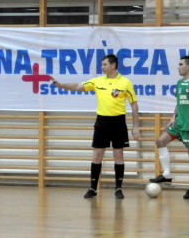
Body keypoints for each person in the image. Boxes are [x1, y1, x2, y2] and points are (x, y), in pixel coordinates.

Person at [50, 54, 140, 199]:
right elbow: (78, 86)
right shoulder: (97, 81)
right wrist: (61, 85)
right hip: (102, 121)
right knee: (97, 154)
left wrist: (136, 126)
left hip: (118, 121)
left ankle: (118, 188)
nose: (102, 67)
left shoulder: (125, 82)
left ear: (113, 65)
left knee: (118, 154)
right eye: (102, 64)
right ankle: (93, 188)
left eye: (104, 64)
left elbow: (134, 104)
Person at [149, 56, 189, 199]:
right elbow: (179, 103)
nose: (178, 67)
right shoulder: (179, 83)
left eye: (181, 64)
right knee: (160, 141)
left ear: (188, 67)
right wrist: (173, 117)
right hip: (179, 123)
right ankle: (167, 174)